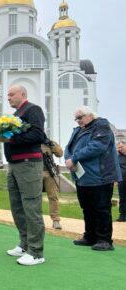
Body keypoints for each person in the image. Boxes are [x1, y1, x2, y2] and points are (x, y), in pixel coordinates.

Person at [0, 85, 46, 266]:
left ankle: (36, 252)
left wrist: (11, 139)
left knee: (31, 207)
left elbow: (38, 135)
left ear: (22, 95)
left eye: (11, 94)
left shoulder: (33, 110)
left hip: (29, 164)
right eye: (7, 94)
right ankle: (25, 244)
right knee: (17, 207)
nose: (8, 97)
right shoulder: (16, 115)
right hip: (15, 165)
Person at [65, 106, 122, 251]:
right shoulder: (77, 130)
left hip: (100, 176)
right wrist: (68, 159)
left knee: (101, 208)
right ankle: (90, 236)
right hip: (82, 176)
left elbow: (97, 146)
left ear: (90, 115)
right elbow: (68, 148)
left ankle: (104, 240)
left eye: (80, 117)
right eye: (76, 118)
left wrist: (75, 158)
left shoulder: (102, 126)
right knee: (87, 208)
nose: (78, 121)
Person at [42, 139, 63, 230]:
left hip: (49, 172)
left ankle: (56, 220)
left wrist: (51, 144)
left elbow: (60, 153)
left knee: (53, 196)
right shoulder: (30, 139)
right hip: (34, 172)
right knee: (34, 197)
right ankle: (36, 220)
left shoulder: (48, 142)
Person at [117, 141, 126, 222]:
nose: (120, 149)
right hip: (122, 180)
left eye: (121, 147)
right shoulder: (117, 157)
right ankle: (122, 215)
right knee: (122, 198)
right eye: (118, 147)